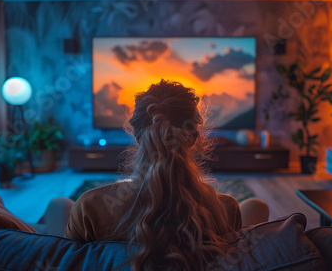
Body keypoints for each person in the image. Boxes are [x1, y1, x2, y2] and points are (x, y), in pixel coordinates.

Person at [65, 79, 268, 270]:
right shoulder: (225, 209)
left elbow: (69, 261)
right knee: (257, 207)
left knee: (60, 205)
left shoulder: (89, 206)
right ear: (192, 139)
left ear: (137, 138)